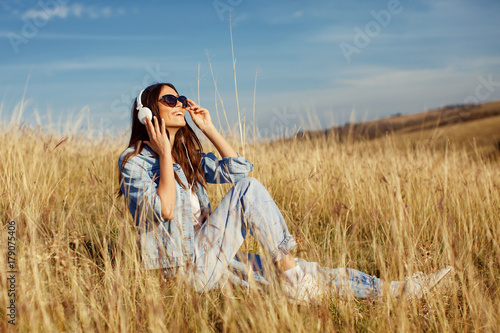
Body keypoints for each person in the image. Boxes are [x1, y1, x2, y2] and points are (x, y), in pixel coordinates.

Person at [117, 83, 452, 303]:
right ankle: (292, 277)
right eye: (170, 100)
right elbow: (166, 211)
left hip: (217, 262)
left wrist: (208, 128)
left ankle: (398, 292)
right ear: (147, 111)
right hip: (183, 270)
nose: (179, 104)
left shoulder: (187, 158)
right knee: (250, 194)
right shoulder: (133, 163)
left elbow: (237, 170)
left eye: (181, 99)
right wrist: (162, 154)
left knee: (312, 273)